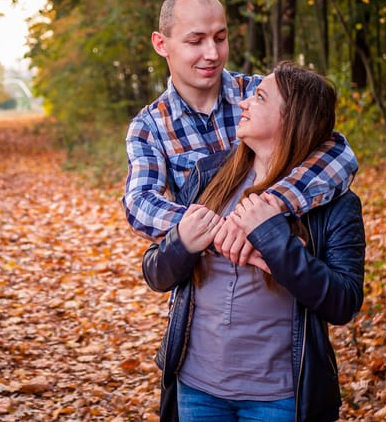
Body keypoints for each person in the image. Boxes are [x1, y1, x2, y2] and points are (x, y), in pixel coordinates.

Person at [142, 62, 367, 422]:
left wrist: (273, 238)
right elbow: (155, 273)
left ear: (293, 119)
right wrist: (182, 243)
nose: (243, 103)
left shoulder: (336, 204)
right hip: (196, 387)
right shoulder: (209, 176)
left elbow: (344, 302)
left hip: (279, 397)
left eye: (260, 97)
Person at [122, 0, 358, 243]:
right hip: (210, 263)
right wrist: (221, 231)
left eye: (220, 38)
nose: (212, 54)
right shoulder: (150, 127)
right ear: (161, 44)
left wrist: (274, 204)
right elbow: (140, 203)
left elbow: (339, 154)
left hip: (288, 253)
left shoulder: (262, 93)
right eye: (196, 41)